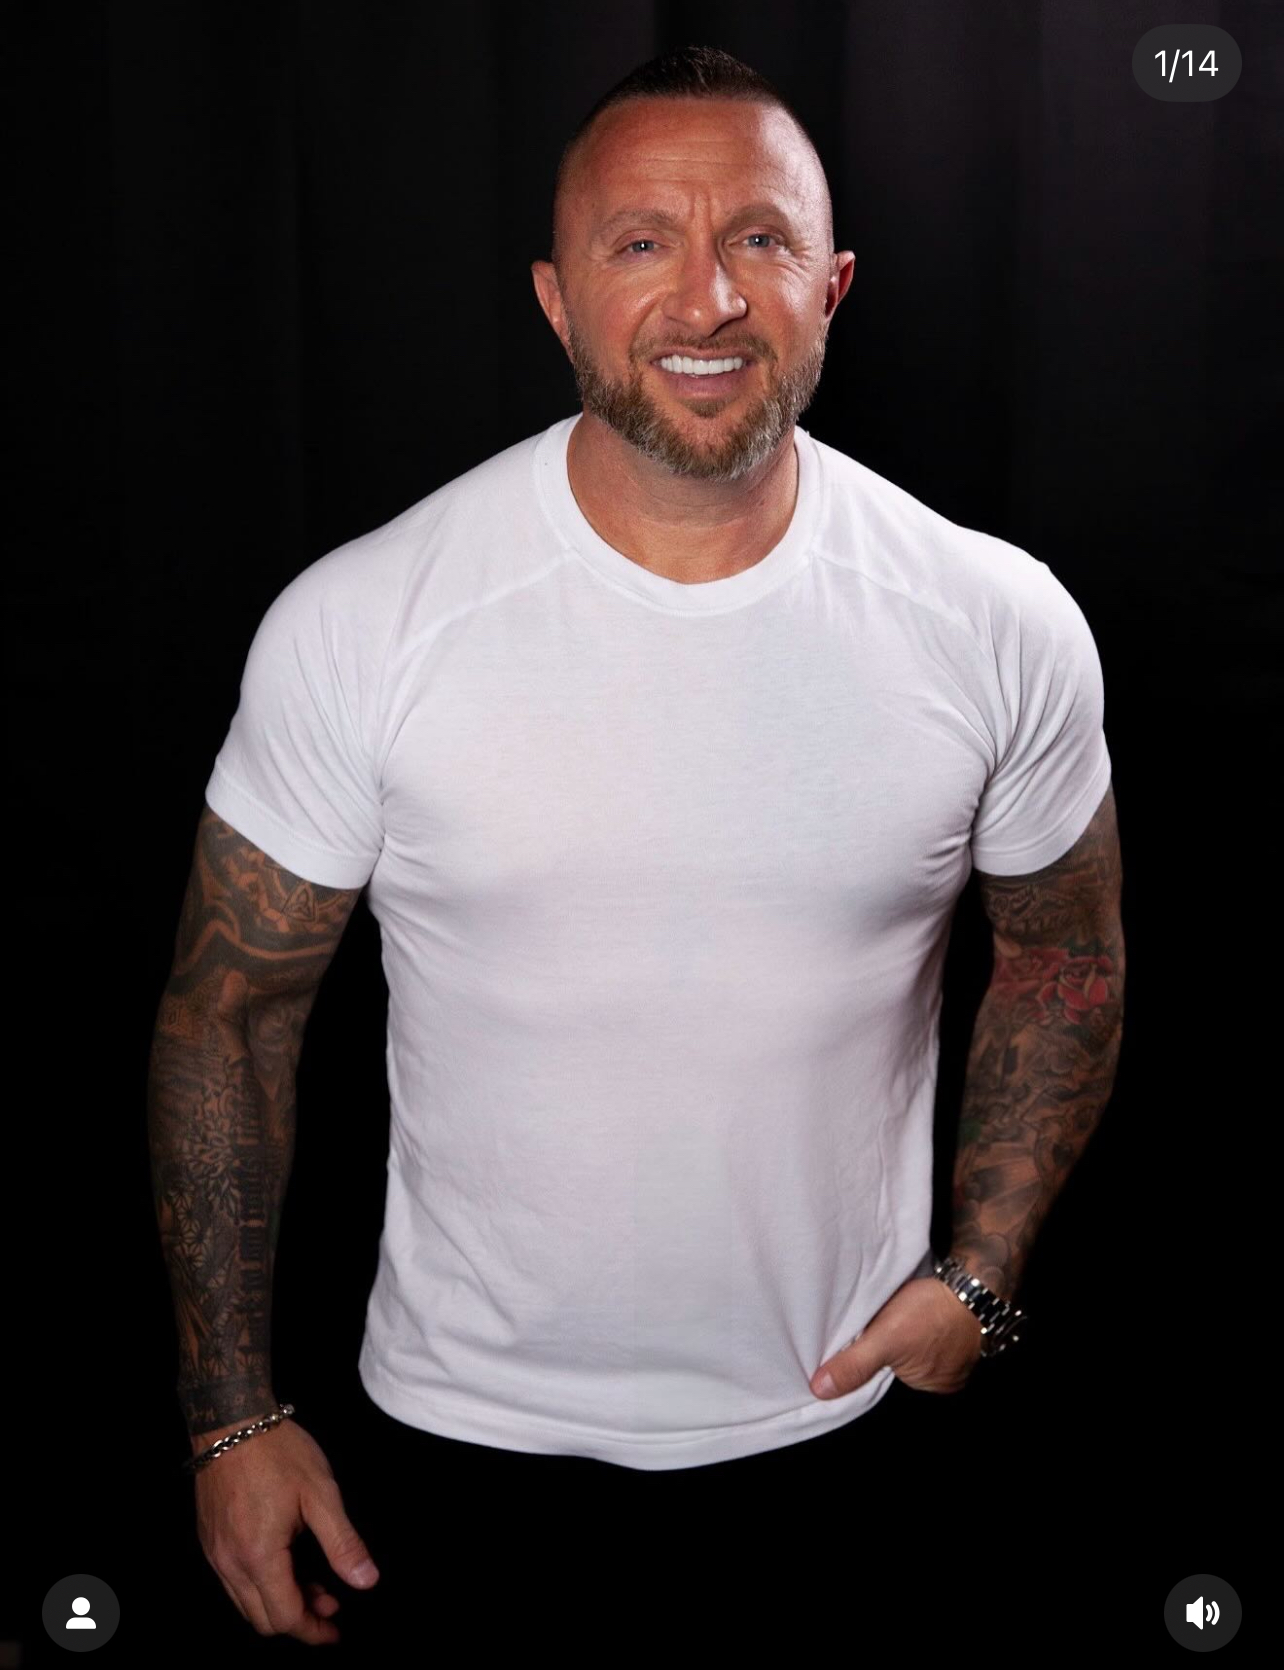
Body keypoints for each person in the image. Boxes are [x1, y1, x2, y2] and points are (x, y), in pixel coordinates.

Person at [147, 43, 1125, 1650]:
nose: (707, 301)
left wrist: (984, 1276)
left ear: (835, 284)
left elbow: (1068, 956)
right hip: (452, 1456)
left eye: (759, 239)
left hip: (846, 1429)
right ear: (554, 296)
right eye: (641, 243)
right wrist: (232, 1421)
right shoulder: (365, 622)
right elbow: (226, 1015)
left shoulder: (992, 619)